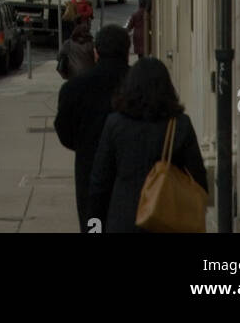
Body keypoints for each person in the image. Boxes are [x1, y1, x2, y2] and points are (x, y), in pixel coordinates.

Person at [86, 56, 208, 233]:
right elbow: (199, 179)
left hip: (123, 220)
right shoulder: (179, 124)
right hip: (167, 220)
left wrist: (93, 227)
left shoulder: (114, 124)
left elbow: (99, 184)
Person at [54, 23, 131, 233]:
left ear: (96, 52)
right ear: (127, 51)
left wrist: (84, 144)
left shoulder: (74, 89)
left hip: (90, 171)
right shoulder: (141, 84)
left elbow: (65, 132)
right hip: (134, 178)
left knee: (93, 225)